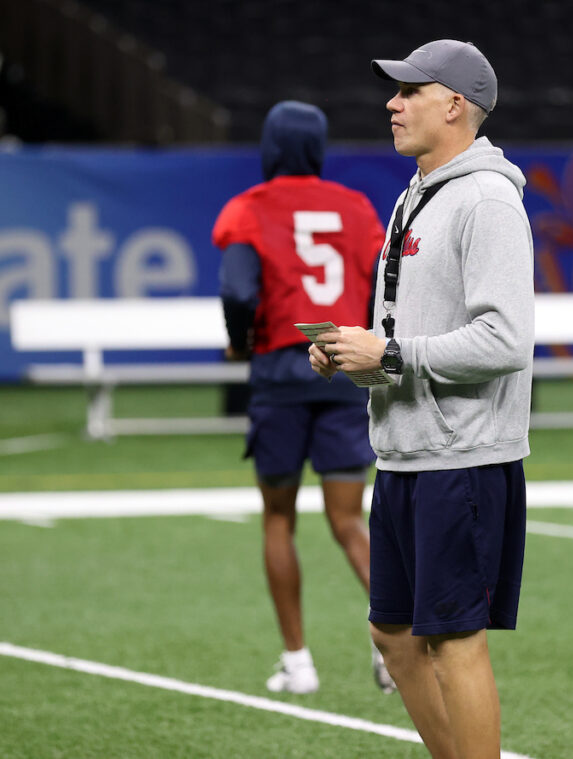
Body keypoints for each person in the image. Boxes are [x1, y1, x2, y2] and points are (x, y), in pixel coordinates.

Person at [308, 40, 534, 759]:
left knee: (453, 642)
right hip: (406, 453)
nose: (392, 103)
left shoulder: (489, 199)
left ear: (455, 105)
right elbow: (403, 333)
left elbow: (505, 340)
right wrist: (355, 352)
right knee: (395, 636)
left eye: (410, 91)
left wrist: (393, 353)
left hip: (461, 458)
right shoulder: (417, 194)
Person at [212, 100, 396, 696]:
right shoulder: (356, 206)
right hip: (341, 369)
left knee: (278, 517)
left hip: (279, 374)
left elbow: (239, 290)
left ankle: (298, 663)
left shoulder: (247, 208)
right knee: (348, 520)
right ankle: (392, 644)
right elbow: (380, 283)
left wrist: (240, 344)